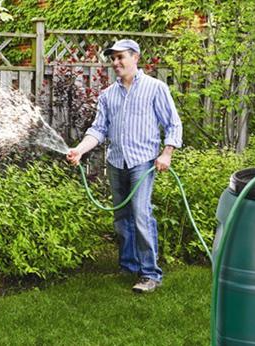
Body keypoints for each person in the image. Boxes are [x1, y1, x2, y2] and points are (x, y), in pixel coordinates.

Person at [66, 39, 182, 293]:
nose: (116, 63)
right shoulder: (108, 95)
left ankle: (150, 273)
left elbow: (173, 124)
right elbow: (98, 129)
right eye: (113, 58)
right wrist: (80, 150)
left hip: (142, 162)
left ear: (135, 57)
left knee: (141, 214)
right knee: (122, 217)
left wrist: (167, 153)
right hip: (116, 162)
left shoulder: (155, 88)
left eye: (121, 57)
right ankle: (128, 266)